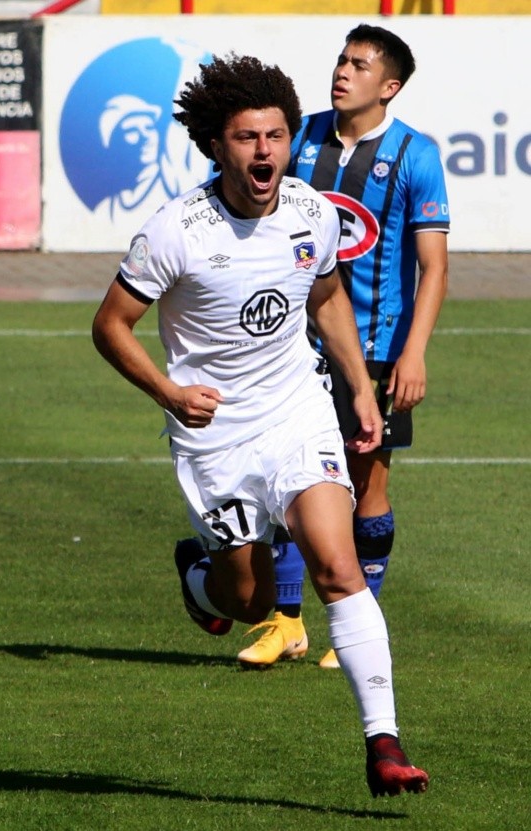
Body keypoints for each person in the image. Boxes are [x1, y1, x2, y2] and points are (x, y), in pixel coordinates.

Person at [92, 52, 429, 798]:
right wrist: (168, 391)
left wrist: (359, 391)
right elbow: (111, 325)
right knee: (246, 598)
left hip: (295, 411)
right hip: (214, 435)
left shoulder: (311, 211)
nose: (265, 151)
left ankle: (384, 741)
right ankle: (199, 579)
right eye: (247, 138)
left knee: (337, 567)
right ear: (220, 145)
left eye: (275, 135)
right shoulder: (175, 230)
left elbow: (329, 298)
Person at [236, 25, 450, 670]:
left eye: (360, 65)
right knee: (285, 481)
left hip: (379, 348)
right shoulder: (299, 137)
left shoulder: (415, 153)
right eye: (341, 60)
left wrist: (413, 354)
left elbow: (433, 267)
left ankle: (359, 625)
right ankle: (287, 622)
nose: (343, 71)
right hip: (289, 344)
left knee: (365, 483)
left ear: (389, 86)